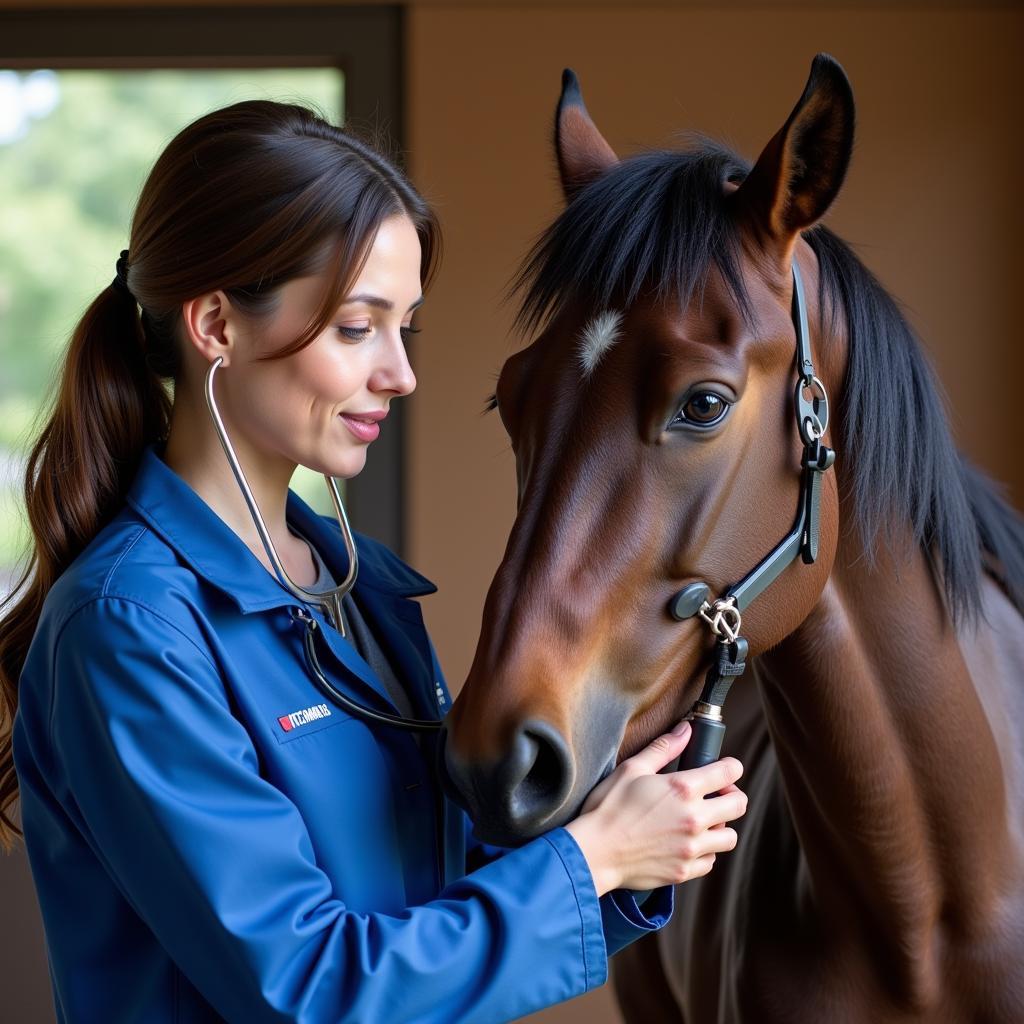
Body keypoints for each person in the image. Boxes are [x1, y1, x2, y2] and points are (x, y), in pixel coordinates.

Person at [0, 100, 747, 1022]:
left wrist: (622, 843)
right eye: (359, 328)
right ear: (215, 327)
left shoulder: (362, 590)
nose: (401, 373)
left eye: (407, 328)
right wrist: (591, 862)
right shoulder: (129, 628)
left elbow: (430, 897)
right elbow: (311, 989)